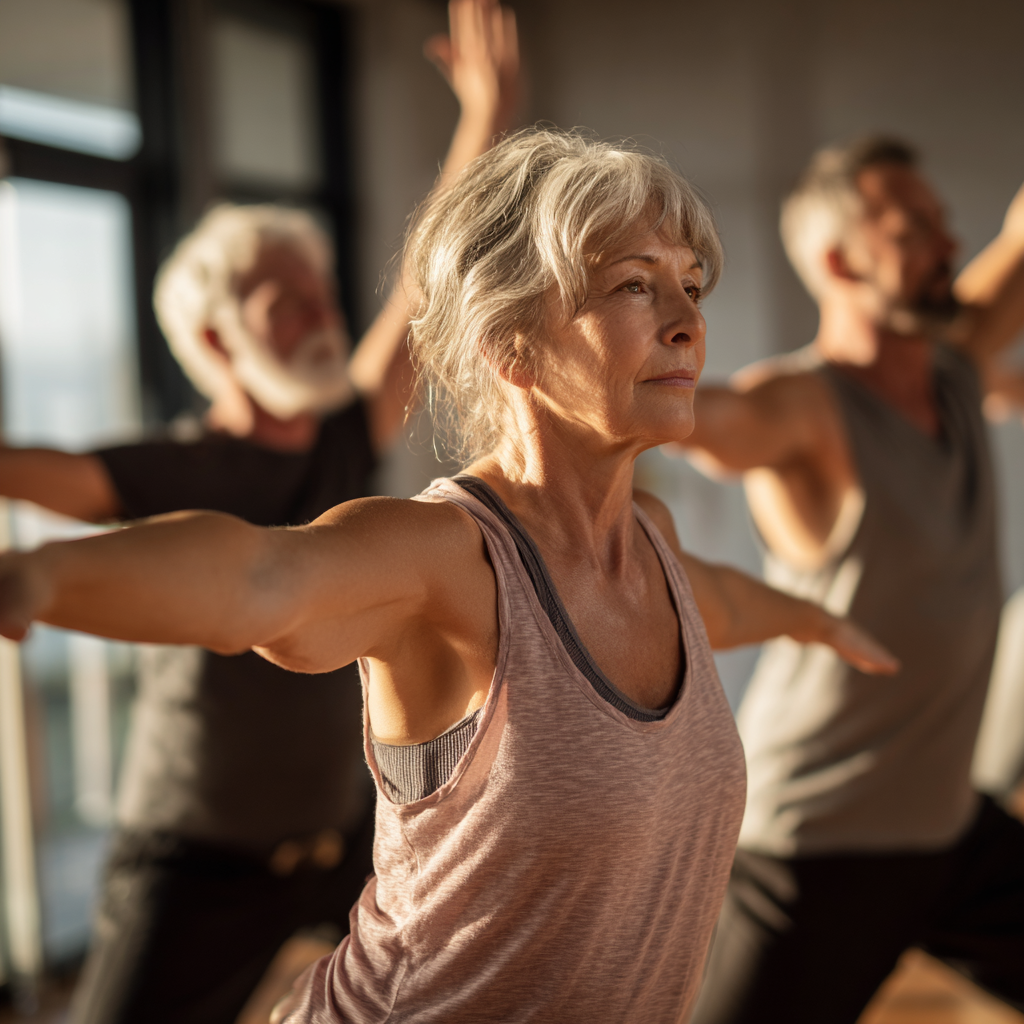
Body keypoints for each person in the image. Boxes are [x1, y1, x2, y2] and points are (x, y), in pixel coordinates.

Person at [0, 128, 896, 1024]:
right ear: (512, 346)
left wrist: (814, 619)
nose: (688, 322)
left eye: (690, 285)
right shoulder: (448, 558)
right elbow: (262, 578)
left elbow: (718, 599)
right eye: (634, 284)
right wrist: (37, 578)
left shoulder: (649, 540)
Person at [0, 3, 519, 1022]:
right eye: (287, 303)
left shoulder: (343, 434)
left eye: (322, 293)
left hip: (346, 839)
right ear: (216, 338)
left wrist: (485, 117)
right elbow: (31, 472)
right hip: (199, 856)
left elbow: (422, 287)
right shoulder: (176, 467)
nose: (323, 315)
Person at [673, 138, 1024, 1024]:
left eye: (944, 223)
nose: (950, 245)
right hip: (818, 844)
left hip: (950, 825)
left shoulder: (956, 370)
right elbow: (715, 419)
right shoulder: (804, 406)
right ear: (840, 262)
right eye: (915, 231)